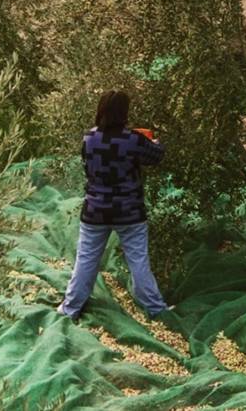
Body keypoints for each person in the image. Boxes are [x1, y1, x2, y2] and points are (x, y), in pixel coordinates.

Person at [57, 90, 169, 321]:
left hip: (95, 210)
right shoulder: (133, 139)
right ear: (124, 112)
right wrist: (155, 142)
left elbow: (88, 168)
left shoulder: (89, 138)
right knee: (138, 261)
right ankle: (157, 310)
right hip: (129, 211)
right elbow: (156, 156)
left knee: (86, 259)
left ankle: (69, 309)